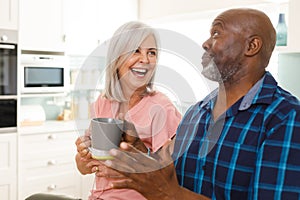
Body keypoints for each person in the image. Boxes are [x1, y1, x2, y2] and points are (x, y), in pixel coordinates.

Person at [100, 8, 300, 199]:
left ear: (251, 46)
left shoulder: (285, 118)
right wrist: (138, 149)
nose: (205, 43)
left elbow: (167, 190)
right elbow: (167, 171)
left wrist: (171, 196)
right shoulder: (196, 112)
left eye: (216, 33)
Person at [75, 21, 182, 200]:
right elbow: (83, 167)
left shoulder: (162, 107)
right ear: (117, 59)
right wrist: (84, 156)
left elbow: (172, 175)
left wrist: (134, 163)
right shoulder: (103, 101)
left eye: (151, 52)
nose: (145, 59)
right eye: (136, 51)